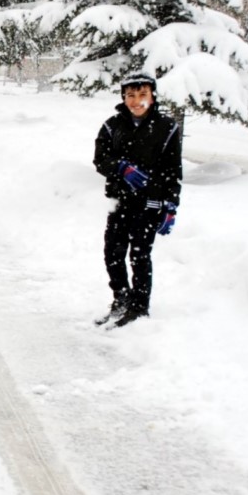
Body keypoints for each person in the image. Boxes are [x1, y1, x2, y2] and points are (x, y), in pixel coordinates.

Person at [92, 73, 182, 327]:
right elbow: (100, 159)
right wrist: (120, 167)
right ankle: (121, 298)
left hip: (150, 202)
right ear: (123, 97)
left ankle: (139, 307)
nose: (136, 101)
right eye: (131, 95)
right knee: (113, 252)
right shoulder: (112, 126)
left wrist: (171, 205)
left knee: (140, 255)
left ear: (152, 97)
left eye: (142, 95)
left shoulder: (167, 127)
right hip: (119, 200)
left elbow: (173, 170)